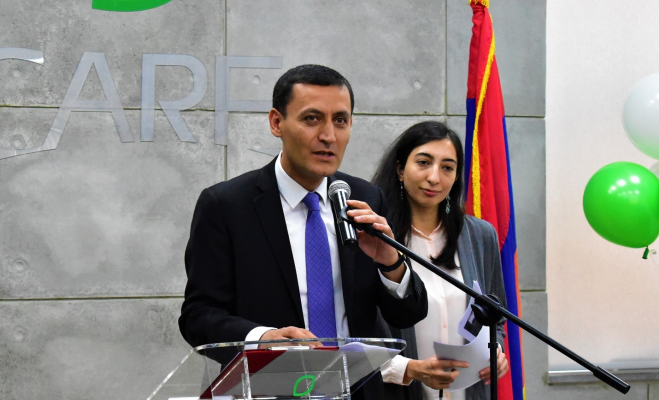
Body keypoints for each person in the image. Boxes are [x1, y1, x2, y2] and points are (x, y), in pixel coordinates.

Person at [179, 65, 429, 400]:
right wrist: (263, 338)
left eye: (340, 120)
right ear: (276, 123)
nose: (328, 136)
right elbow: (198, 316)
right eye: (312, 119)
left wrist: (391, 264)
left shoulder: (365, 199)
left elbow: (407, 314)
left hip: (357, 391)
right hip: (270, 390)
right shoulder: (226, 206)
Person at [372, 121, 509, 400]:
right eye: (424, 163)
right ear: (400, 169)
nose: (435, 177)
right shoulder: (374, 237)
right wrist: (408, 369)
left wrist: (495, 350)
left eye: (447, 167)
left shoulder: (480, 235)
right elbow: (354, 334)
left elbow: (496, 317)